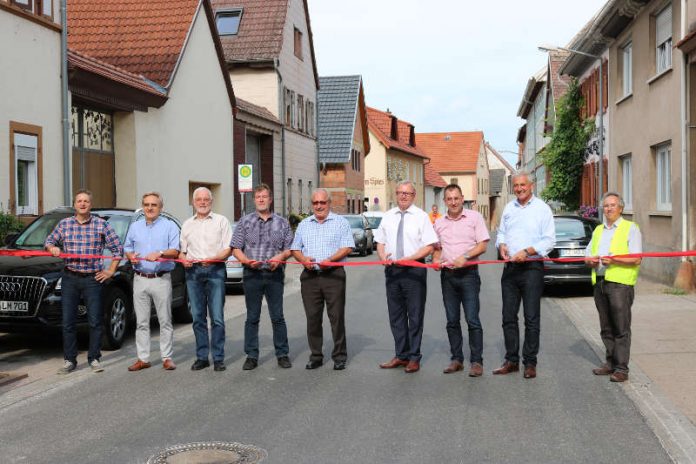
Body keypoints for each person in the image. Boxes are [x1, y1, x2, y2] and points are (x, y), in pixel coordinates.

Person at [45, 189, 122, 374]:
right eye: (79, 201)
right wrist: (52, 247)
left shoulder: (101, 225)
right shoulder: (64, 224)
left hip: (92, 279)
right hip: (70, 277)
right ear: (74, 205)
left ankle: (94, 358)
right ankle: (69, 360)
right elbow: (49, 241)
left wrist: (110, 271)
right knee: (68, 322)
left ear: (90, 204)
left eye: (86, 201)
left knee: (95, 320)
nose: (82, 204)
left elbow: (118, 249)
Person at [494, 172, 555, 379]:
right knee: (508, 317)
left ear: (531, 185)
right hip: (510, 268)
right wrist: (501, 245)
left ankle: (530, 362)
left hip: (531, 268)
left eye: (523, 185)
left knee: (531, 318)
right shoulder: (509, 208)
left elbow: (549, 241)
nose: (519, 188)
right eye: (516, 185)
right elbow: (501, 232)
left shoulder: (542, 209)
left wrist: (527, 251)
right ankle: (511, 360)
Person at [375, 180, 438, 373]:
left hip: (413, 270)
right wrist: (382, 256)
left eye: (407, 193)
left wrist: (410, 258)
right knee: (396, 315)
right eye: (400, 193)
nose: (403, 196)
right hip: (393, 271)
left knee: (415, 315)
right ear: (396, 194)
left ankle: (414, 357)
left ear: (414, 196)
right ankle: (401, 354)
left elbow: (430, 246)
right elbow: (380, 241)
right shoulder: (388, 217)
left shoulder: (421, 217)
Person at [231, 184, 294, 371]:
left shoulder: (282, 222)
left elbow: (290, 248)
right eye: (258, 196)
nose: (260, 199)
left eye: (264, 196)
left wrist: (281, 257)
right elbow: (235, 248)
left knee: (278, 316)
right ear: (254, 200)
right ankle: (251, 355)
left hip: (274, 274)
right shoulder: (245, 222)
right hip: (252, 274)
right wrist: (246, 261)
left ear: (270, 199)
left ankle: (282, 354)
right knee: (252, 317)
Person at [291, 189, 355, 371]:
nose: (319, 206)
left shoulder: (340, 222)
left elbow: (348, 246)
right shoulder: (304, 224)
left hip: (333, 275)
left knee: (336, 317)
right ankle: (316, 356)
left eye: (323, 202)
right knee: (312, 318)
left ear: (329, 203)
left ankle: (339, 356)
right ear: (312, 205)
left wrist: (331, 260)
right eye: (316, 203)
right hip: (310, 277)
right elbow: (295, 249)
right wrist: (303, 260)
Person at [432, 184, 490, 377]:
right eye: (449, 199)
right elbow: (437, 248)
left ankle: (476, 361)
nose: (453, 202)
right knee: (451, 320)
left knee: (472, 319)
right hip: (447, 276)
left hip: (469, 275)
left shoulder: (474, 217)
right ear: (445, 201)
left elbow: (483, 245)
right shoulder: (439, 223)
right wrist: (435, 260)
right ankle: (456, 359)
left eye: (456, 198)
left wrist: (465, 256)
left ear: (462, 198)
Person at [585, 192, 641, 383]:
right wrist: (590, 261)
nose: (608, 209)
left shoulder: (630, 228)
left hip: (620, 284)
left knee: (621, 328)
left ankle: (622, 369)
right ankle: (610, 363)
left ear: (621, 208)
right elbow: (588, 254)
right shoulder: (598, 230)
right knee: (606, 327)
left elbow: (636, 258)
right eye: (606, 206)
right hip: (600, 283)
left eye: (612, 205)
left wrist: (615, 259)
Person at [123, 192, 180, 372]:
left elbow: (175, 251)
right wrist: (130, 255)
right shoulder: (135, 226)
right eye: (146, 204)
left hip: (161, 279)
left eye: (154, 205)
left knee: (165, 320)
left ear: (160, 208)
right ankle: (143, 358)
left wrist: (160, 253)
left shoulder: (169, 226)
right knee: (141, 322)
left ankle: (167, 357)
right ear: (143, 206)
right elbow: (127, 247)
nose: (149, 208)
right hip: (140, 278)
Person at [179, 187, 232, 372]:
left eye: (206, 199)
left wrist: (212, 259)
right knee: (198, 318)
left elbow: (228, 249)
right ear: (193, 202)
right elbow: (182, 251)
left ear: (211, 201)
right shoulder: (187, 224)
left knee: (217, 317)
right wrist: (183, 260)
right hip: (193, 273)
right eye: (199, 199)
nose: (202, 202)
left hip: (215, 270)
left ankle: (218, 358)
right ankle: (202, 357)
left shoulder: (221, 221)